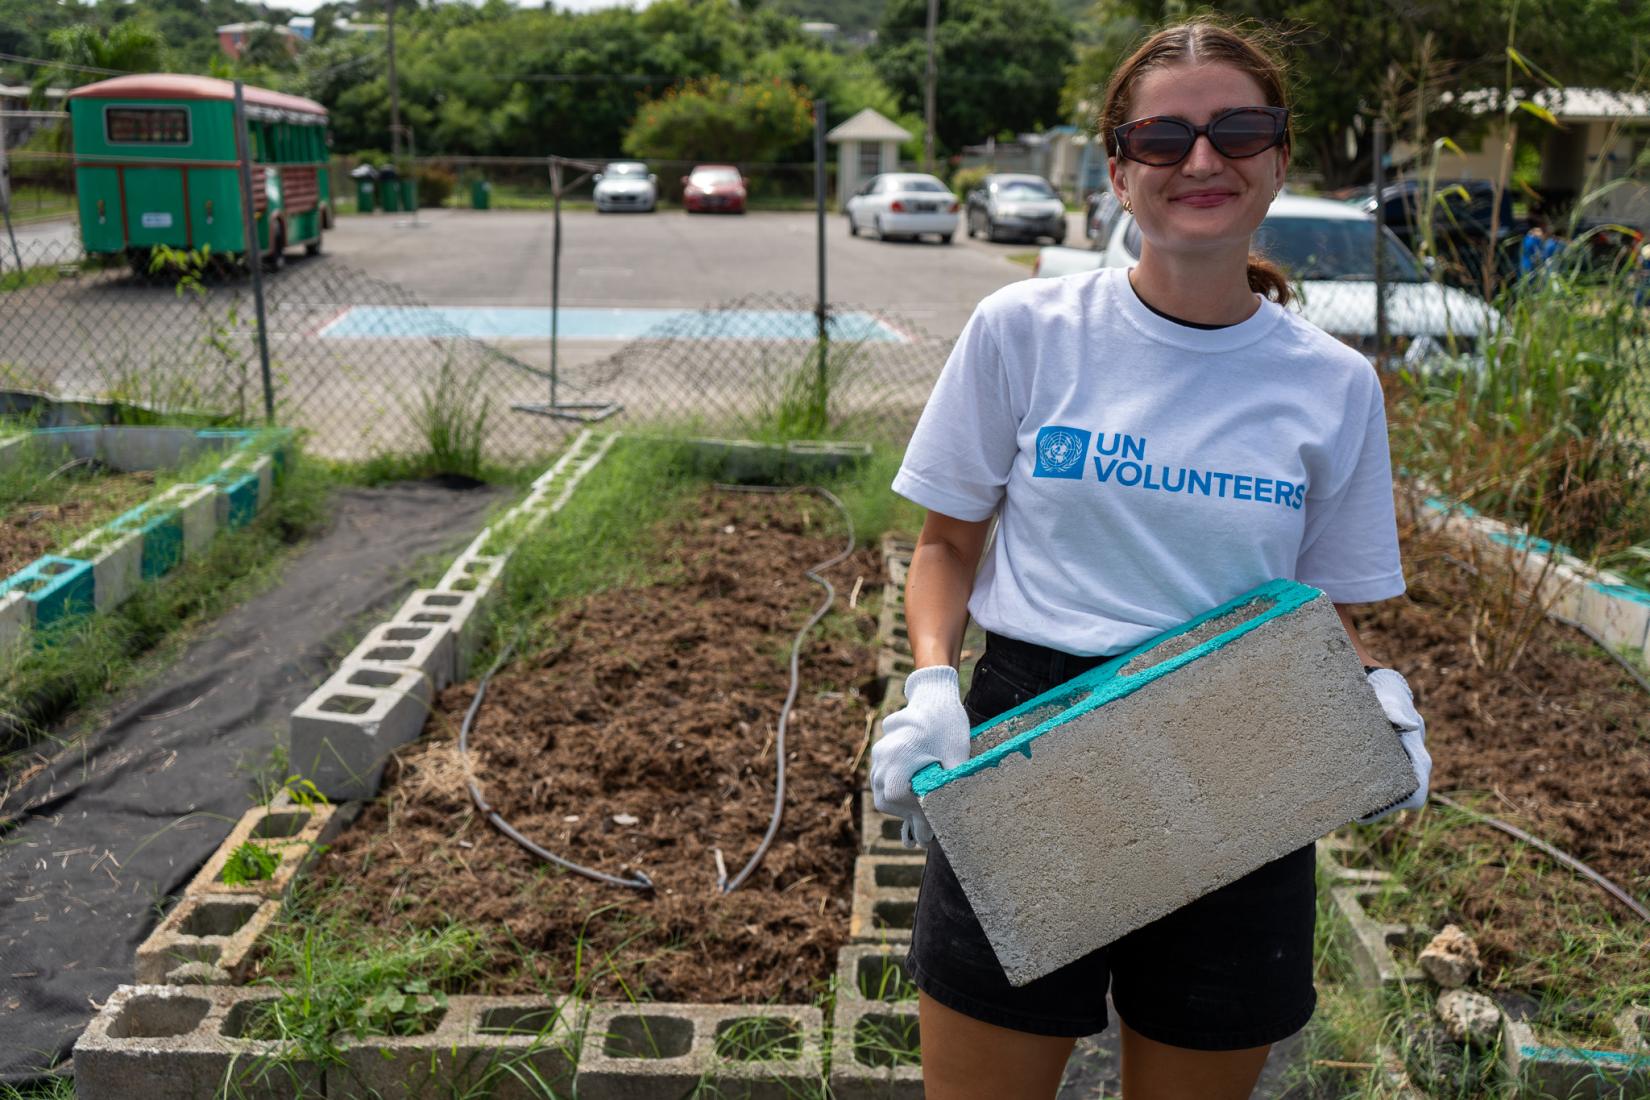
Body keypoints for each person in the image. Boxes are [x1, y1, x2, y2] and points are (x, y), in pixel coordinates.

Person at [869, 19, 1431, 1100]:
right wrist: (936, 679)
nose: (1204, 161)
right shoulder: (1025, 328)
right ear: (1119, 169)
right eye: (1165, 138)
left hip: (1245, 747)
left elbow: (1315, 604)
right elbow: (946, 543)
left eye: (1238, 130)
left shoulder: (1334, 385)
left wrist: (1375, 699)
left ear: (1278, 157)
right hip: (1032, 732)